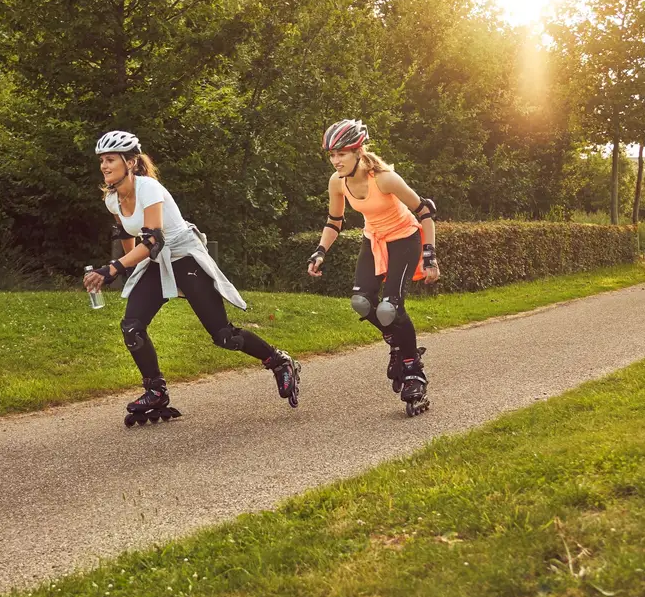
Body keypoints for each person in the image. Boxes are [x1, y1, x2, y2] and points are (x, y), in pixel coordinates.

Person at [83, 131, 300, 425]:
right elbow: (126, 233)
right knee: (132, 328)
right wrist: (131, 269)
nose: (104, 166)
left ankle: (279, 361)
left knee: (224, 336)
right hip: (156, 261)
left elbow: (153, 240)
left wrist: (113, 269)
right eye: (102, 161)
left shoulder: (149, 188)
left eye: (111, 159)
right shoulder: (112, 198)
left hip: (185, 256)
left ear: (130, 162)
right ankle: (155, 391)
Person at [307, 119, 440, 416]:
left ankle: (413, 371)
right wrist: (320, 251)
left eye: (342, 153)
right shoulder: (337, 182)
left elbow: (425, 211)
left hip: (404, 239)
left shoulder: (385, 179)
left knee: (390, 308)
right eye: (332, 155)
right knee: (362, 302)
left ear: (358, 152)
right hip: (374, 240)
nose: (336, 160)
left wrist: (429, 255)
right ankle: (398, 344)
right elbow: (334, 222)